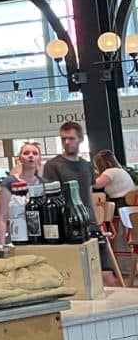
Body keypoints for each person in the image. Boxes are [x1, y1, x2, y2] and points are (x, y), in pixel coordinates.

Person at [44, 121, 118, 284]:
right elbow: (52, 198)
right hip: (67, 225)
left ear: (80, 139)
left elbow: (89, 192)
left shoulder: (86, 165)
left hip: (89, 222)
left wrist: (95, 221)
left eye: (71, 138)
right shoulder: (53, 166)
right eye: (63, 139)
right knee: (77, 274)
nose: (67, 142)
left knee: (106, 271)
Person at [0, 141, 43, 243]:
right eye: (26, 153)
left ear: (40, 158)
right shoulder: (9, 183)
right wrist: (2, 245)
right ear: (19, 158)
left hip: (39, 238)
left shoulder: (43, 183)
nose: (31, 156)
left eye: (35, 153)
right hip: (16, 237)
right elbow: (2, 217)